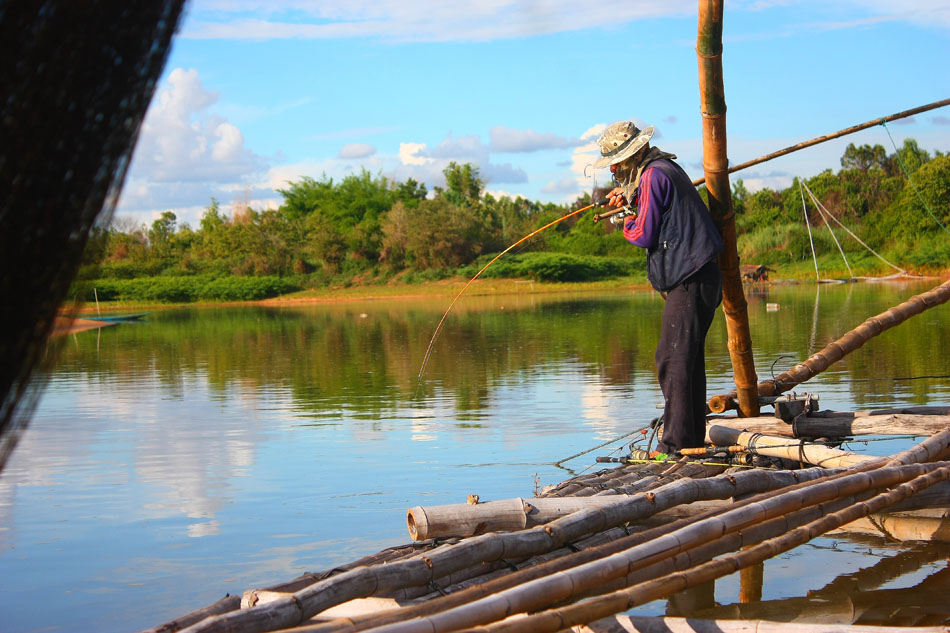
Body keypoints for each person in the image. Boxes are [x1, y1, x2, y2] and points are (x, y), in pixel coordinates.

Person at [594, 119, 724, 457]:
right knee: (687, 360)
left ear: (630, 157)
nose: (614, 169)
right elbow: (651, 207)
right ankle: (691, 440)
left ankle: (676, 445)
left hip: (690, 279)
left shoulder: (654, 175)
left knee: (672, 359)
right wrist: (627, 197)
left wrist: (622, 220)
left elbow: (644, 234)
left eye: (616, 163)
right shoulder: (659, 171)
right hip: (700, 276)